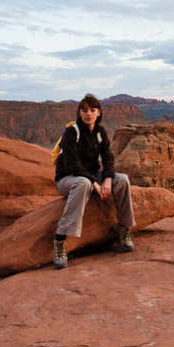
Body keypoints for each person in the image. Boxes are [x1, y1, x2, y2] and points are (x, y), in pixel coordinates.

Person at [53, 93, 135, 269]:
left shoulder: (100, 133)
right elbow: (72, 164)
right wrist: (95, 183)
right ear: (79, 113)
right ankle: (60, 240)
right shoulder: (71, 132)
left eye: (92, 110)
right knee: (84, 183)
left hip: (91, 176)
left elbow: (108, 158)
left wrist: (106, 179)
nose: (88, 113)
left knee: (123, 180)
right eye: (84, 110)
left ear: (99, 112)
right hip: (68, 178)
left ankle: (124, 228)